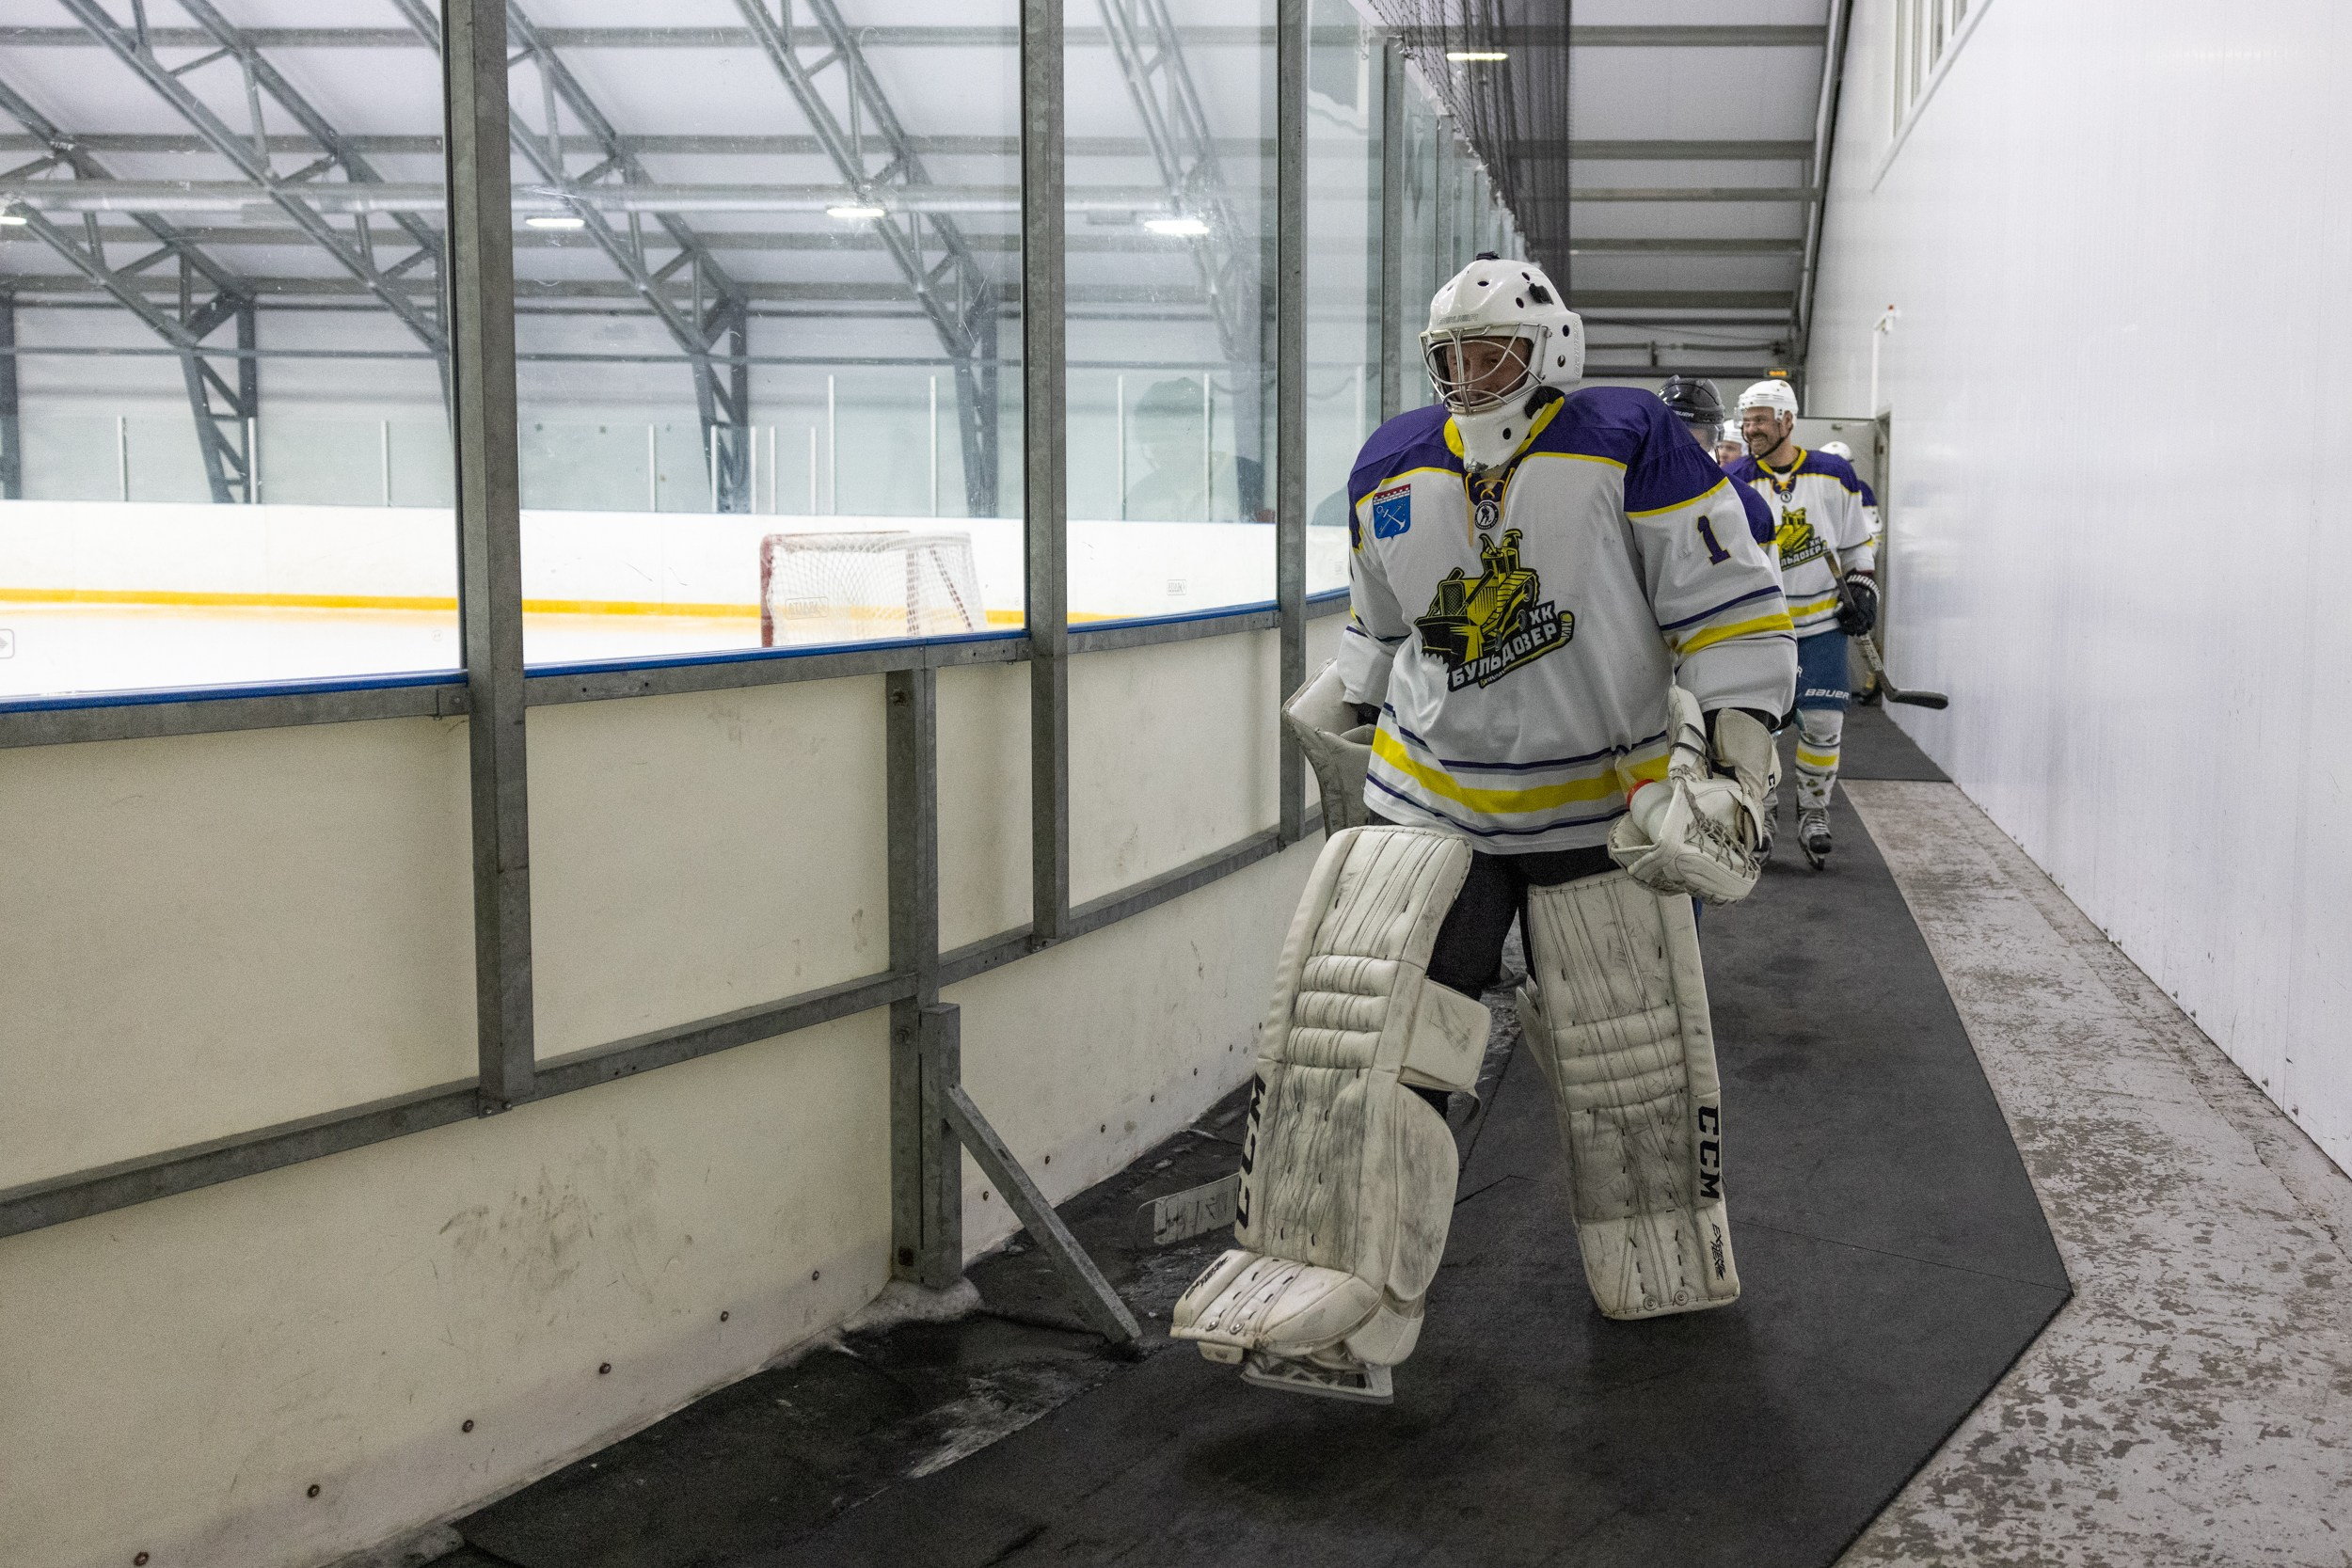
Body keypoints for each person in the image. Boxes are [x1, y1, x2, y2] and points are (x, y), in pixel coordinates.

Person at [1171, 254, 1795, 1403]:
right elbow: (1379, 624)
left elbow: (1728, 610)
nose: (1470, 374)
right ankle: (1349, 1295)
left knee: (1631, 1064)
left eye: (1493, 350)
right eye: (1451, 354)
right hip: (1435, 800)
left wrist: (1739, 765)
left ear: (1550, 348)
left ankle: (1661, 1249)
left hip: (1597, 811)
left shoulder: (1626, 440)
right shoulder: (1391, 461)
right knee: (1371, 1045)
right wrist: (1341, 705)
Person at [1726, 381, 1879, 869]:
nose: (1751, 429)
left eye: (1761, 420)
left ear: (1788, 421)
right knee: (1761, 732)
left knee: (1823, 724)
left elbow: (1858, 546)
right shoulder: (1732, 480)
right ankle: (1763, 813)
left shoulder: (1835, 475)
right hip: (1761, 627)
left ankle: (1814, 812)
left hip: (1820, 623)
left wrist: (1862, 590)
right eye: (1746, 421)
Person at [1817, 439, 1885, 706]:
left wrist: (1856, 571)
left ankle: (1872, 675)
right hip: (1823, 574)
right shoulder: (1814, 487)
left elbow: (1872, 534)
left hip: (1851, 574)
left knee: (1859, 625)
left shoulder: (1860, 490)